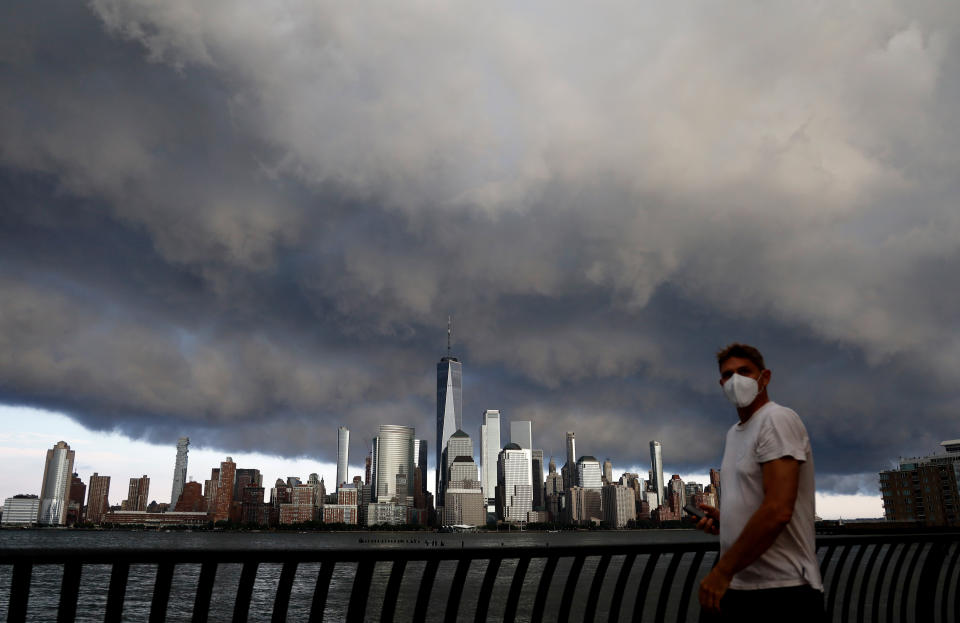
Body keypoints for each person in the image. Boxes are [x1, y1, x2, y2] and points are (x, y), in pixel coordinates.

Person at [695, 343, 824, 622]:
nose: (736, 380)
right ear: (721, 384)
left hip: (783, 590)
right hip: (738, 587)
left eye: (744, 371)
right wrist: (726, 521)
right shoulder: (734, 433)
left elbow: (778, 510)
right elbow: (756, 500)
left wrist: (721, 572)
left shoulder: (776, 420)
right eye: (728, 375)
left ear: (764, 378)